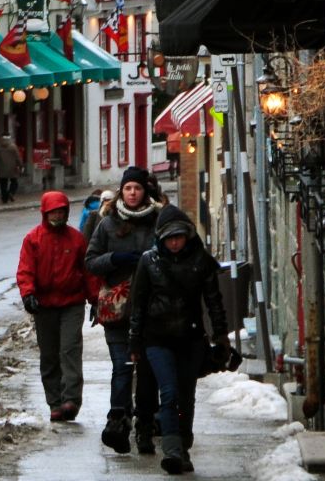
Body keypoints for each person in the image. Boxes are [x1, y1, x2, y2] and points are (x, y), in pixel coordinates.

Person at [129, 206, 228, 474]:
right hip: (157, 339)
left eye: (179, 237)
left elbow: (214, 301)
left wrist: (221, 336)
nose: (174, 242)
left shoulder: (201, 261)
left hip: (190, 339)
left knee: (186, 397)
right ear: (160, 238)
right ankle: (171, 448)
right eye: (169, 238)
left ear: (187, 236)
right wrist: (135, 342)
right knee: (169, 391)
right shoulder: (149, 262)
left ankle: (183, 444)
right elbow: (137, 304)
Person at [86, 166, 164, 456]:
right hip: (117, 308)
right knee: (122, 366)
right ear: (122, 191)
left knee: (148, 367)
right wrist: (115, 258)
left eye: (138, 189)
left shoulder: (158, 220)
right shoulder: (107, 223)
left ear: (146, 191)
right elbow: (91, 260)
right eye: (128, 188)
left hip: (151, 308)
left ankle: (149, 417)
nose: (132, 193)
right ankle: (117, 420)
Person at [17, 190, 93, 424]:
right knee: (49, 354)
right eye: (53, 211)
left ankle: (71, 399)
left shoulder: (76, 239)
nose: (58, 215)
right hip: (45, 305)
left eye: (61, 211)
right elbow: (26, 269)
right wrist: (28, 294)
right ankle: (55, 402)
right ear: (45, 213)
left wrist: (96, 300)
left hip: (72, 302)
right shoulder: (34, 239)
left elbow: (88, 271)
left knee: (69, 349)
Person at [0, 135, 24, 204]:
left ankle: (4, 198)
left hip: (1, 168)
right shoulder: (13, 147)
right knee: (14, 182)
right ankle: (11, 192)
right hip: (12, 168)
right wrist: (21, 165)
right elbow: (18, 157)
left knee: (3, 184)